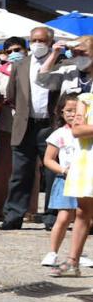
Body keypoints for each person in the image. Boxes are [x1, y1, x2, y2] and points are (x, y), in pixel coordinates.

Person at [0, 26, 66, 230]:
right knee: (20, 172)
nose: (37, 44)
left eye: (42, 40)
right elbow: (11, 94)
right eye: (33, 40)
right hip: (25, 124)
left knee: (52, 173)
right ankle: (14, 215)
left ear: (50, 42)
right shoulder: (21, 65)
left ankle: (52, 216)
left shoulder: (60, 64)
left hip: (50, 125)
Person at [41, 97, 87, 269]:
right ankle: (53, 252)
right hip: (65, 180)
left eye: (76, 110)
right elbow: (48, 159)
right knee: (64, 217)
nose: (73, 114)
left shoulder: (85, 132)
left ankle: (77, 253)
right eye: (69, 111)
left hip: (84, 179)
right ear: (61, 112)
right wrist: (64, 170)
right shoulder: (59, 134)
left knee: (83, 217)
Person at [51, 94, 93, 278]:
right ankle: (72, 261)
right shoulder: (85, 99)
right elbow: (77, 130)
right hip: (88, 161)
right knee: (83, 212)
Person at [0, 36, 26, 219]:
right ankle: (0, 207)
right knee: (2, 167)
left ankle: (29, 210)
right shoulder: (1, 72)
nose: (13, 54)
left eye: (17, 50)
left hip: (27, 123)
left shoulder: (33, 69)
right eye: (9, 51)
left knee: (26, 169)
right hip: (5, 122)